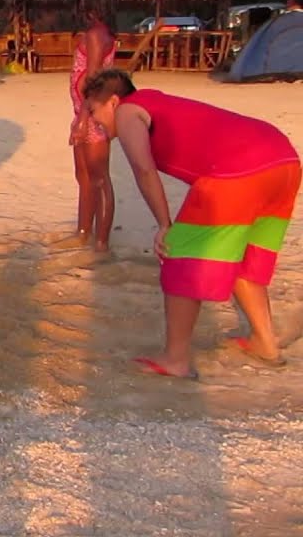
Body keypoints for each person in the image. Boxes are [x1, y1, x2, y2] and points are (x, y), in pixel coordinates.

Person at [83, 68, 299, 378]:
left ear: (114, 102)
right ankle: (265, 343)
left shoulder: (129, 112)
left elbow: (144, 171)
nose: (94, 121)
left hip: (240, 168)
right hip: (283, 161)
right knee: (241, 258)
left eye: (94, 110)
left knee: (180, 254)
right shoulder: (155, 102)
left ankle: (176, 359)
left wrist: (164, 224)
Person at [61, 0, 117, 252]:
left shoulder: (95, 35)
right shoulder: (100, 32)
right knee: (84, 175)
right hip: (85, 111)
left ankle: (102, 242)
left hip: (92, 114)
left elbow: (93, 82)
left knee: (98, 178)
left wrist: (82, 121)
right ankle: (84, 231)